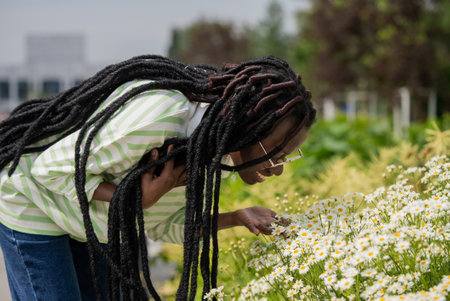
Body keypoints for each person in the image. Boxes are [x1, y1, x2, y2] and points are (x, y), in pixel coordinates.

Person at [0, 55, 316, 301]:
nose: (278, 169)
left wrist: (236, 217)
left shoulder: (209, 149)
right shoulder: (161, 119)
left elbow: (165, 223)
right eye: (277, 153)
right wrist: (137, 196)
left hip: (83, 218)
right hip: (31, 197)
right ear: (249, 128)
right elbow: (49, 169)